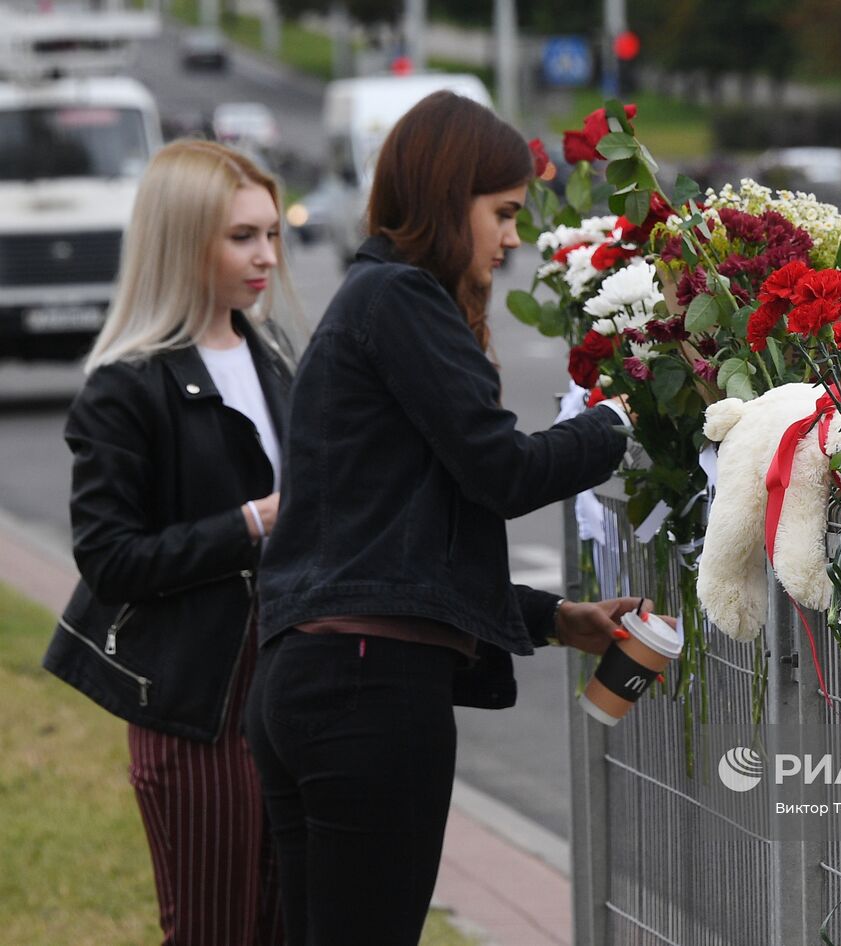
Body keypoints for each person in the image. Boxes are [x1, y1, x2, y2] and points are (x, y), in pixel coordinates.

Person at [244, 91, 650, 946]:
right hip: (369, 688)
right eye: (501, 213)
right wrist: (620, 420)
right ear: (444, 196)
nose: (511, 239)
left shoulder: (371, 298)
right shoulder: (400, 299)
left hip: (314, 676)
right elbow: (499, 470)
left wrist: (548, 619)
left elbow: (396, 529)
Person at [43, 139, 297, 946]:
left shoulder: (276, 358)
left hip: (292, 693)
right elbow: (111, 558)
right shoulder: (126, 386)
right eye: (241, 237)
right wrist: (253, 523)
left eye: (271, 234)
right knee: (214, 931)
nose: (266, 256)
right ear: (184, 243)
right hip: (196, 708)